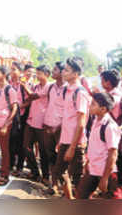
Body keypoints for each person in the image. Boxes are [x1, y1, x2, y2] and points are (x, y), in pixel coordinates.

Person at [53, 57, 91, 199]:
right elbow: (67, 120)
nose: (63, 72)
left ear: (76, 74)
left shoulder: (80, 93)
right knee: (59, 172)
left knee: (79, 180)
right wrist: (62, 141)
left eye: (67, 70)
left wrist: (72, 147)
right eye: (64, 69)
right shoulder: (67, 90)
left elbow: (81, 123)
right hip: (66, 140)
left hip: (76, 143)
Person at [76, 93, 121, 199]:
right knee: (81, 196)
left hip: (107, 172)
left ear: (103, 109)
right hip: (93, 169)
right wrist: (88, 162)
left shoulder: (110, 126)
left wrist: (105, 178)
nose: (89, 106)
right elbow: (95, 146)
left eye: (93, 104)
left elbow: (113, 154)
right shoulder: (96, 121)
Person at [21, 65, 51, 185]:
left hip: (42, 122)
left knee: (43, 150)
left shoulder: (49, 87)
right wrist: (19, 106)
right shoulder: (36, 86)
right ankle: (35, 171)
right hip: (31, 120)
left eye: (40, 74)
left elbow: (33, 96)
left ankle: (45, 175)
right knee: (26, 147)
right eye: (36, 74)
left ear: (46, 74)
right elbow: (29, 100)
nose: (37, 76)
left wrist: (24, 87)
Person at [43, 62, 66, 195]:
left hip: (61, 130)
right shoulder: (51, 87)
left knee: (61, 159)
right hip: (48, 126)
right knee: (50, 156)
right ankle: (54, 184)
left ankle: (65, 186)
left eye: (55, 69)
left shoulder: (68, 89)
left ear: (63, 72)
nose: (52, 71)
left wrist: (58, 127)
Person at [9, 61, 27, 177]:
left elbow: (30, 99)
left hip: (21, 116)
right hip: (11, 115)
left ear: (20, 72)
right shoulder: (9, 83)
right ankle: (10, 165)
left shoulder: (23, 84)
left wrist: (20, 106)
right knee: (10, 141)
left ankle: (19, 167)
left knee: (21, 142)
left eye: (14, 69)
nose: (11, 71)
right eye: (11, 69)